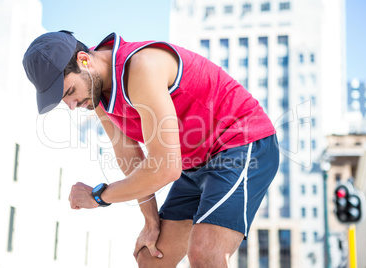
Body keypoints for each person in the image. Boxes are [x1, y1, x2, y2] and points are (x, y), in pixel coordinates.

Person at [23, 30, 279, 267]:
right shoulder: (96, 92)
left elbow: (166, 169)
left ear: (84, 60)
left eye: (69, 92)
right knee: (151, 258)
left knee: (205, 253)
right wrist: (150, 221)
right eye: (64, 100)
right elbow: (128, 154)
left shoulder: (141, 66)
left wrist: (99, 196)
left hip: (241, 142)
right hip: (194, 163)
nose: (72, 104)